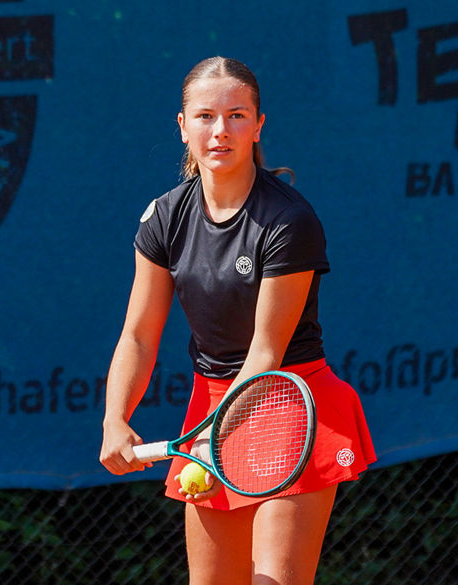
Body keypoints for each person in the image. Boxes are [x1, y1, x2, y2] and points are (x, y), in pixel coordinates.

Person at [99, 56, 376, 585]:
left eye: (236, 115)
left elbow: (266, 354)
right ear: (182, 127)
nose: (220, 130)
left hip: (287, 401)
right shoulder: (162, 219)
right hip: (214, 405)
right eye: (204, 116)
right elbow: (138, 333)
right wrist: (116, 417)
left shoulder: (289, 221)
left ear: (258, 125)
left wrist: (212, 433)